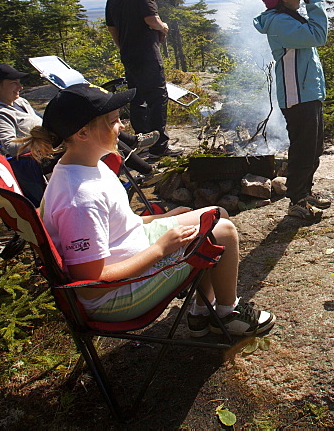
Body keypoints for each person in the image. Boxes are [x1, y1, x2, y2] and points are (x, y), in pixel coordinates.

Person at [18, 83, 275, 335]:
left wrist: (158, 219)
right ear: (82, 133)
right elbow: (90, 286)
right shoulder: (80, 198)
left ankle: (202, 312)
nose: (122, 126)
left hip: (131, 256)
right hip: (115, 299)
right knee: (223, 231)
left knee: (215, 214)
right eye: (112, 121)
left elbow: (115, 227)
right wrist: (161, 248)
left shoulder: (86, 166)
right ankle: (228, 314)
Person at [0, 63, 157, 176]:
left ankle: (136, 148)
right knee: (97, 137)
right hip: (38, 158)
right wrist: (45, 142)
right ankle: (142, 161)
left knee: (96, 129)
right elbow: (5, 148)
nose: (20, 87)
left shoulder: (19, 102)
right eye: (14, 83)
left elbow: (41, 121)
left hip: (52, 144)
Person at [253, 0, 332, 219]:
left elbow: (311, 34)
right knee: (303, 151)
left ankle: (304, 191)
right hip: (297, 95)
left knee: (313, 148)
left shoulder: (287, 17)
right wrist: (314, 2)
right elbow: (318, 36)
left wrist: (310, 2)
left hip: (307, 92)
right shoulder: (278, 22)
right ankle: (296, 201)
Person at [104, 0, 183, 158]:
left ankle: (142, 142)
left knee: (137, 98)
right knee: (157, 98)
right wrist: (163, 27)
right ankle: (159, 146)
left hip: (128, 55)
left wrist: (122, 45)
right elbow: (151, 20)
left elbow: (112, 28)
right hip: (147, 53)